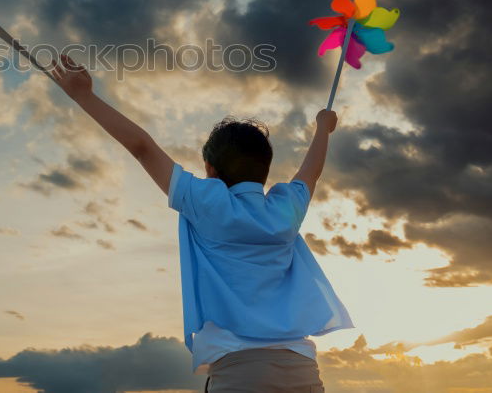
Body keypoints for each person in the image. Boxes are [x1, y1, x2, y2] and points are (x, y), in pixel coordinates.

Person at [50, 53, 354, 392]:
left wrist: (84, 96)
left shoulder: (208, 202)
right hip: (301, 369)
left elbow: (142, 148)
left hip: (239, 371)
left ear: (210, 168)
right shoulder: (284, 211)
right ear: (266, 168)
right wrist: (322, 128)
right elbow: (310, 172)